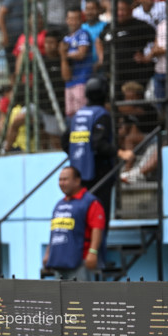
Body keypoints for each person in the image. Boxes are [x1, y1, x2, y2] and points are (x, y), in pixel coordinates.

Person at [62, 77, 118, 234]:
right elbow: (99, 144)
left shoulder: (78, 115)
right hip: (100, 173)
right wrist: (119, 152)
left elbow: (64, 142)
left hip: (79, 173)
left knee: (82, 216)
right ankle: (98, 253)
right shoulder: (102, 115)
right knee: (99, 215)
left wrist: (77, 156)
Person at [43, 166, 105, 281]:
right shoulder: (59, 204)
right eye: (60, 180)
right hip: (58, 262)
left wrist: (93, 252)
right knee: (60, 298)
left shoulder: (90, 202)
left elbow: (97, 228)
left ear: (77, 181)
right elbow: (55, 232)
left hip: (79, 263)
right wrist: (48, 253)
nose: (61, 183)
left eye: (65, 179)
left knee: (80, 298)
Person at [60, 9, 93, 118]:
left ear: (81, 20)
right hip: (70, 82)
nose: (73, 22)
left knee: (82, 113)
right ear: (66, 20)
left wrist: (65, 54)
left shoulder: (83, 34)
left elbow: (81, 54)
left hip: (82, 80)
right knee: (70, 114)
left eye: (76, 19)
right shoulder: (66, 38)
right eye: (71, 19)